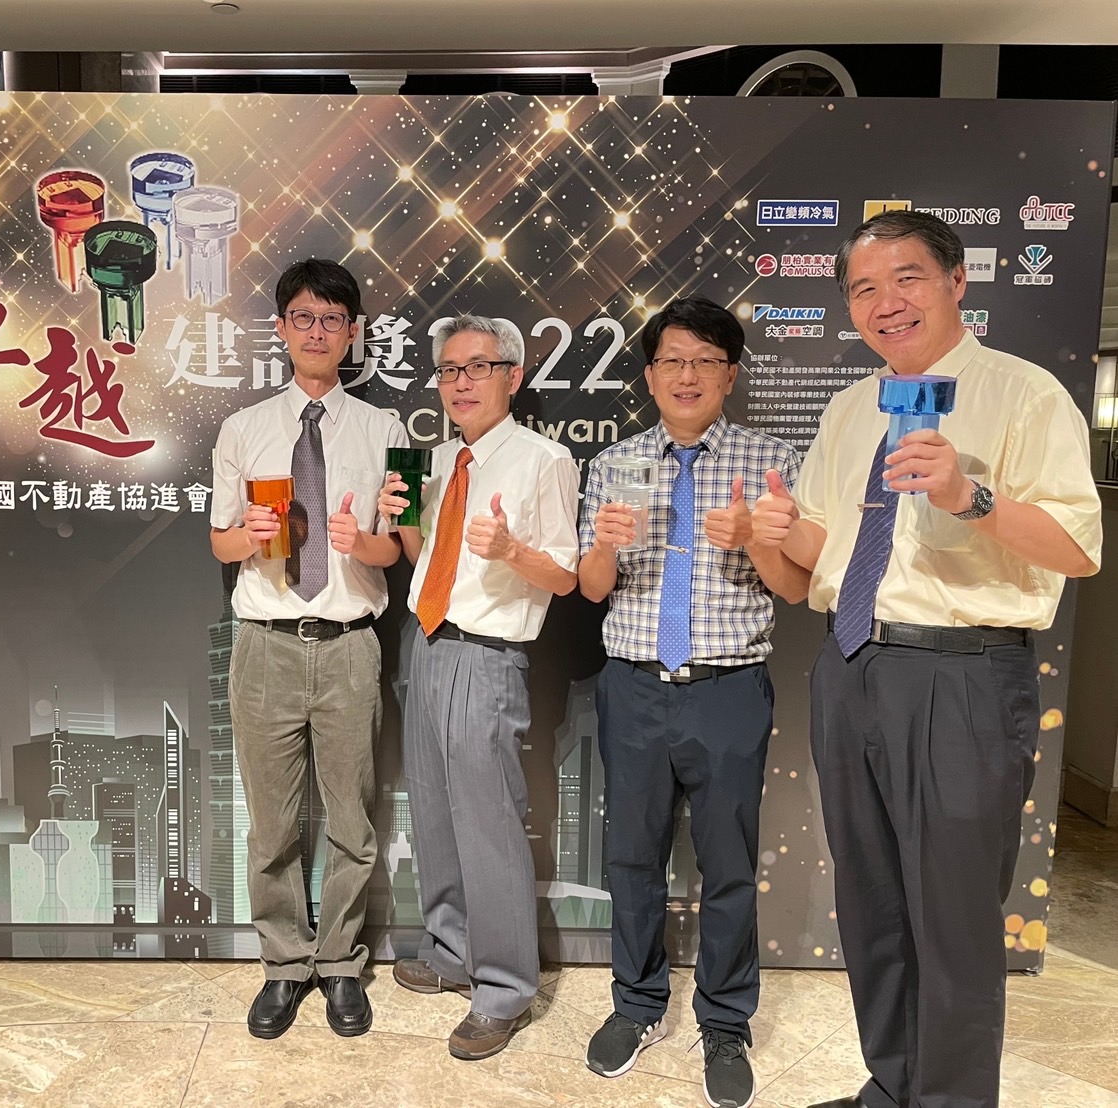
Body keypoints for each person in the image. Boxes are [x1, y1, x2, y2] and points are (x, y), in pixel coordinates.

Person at [747, 210, 1102, 1108]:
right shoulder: (849, 407)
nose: (886, 302)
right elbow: (826, 553)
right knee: (872, 901)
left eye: (906, 278)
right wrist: (778, 531)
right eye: (864, 289)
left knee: (952, 915)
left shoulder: (1023, 395)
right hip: (851, 665)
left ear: (957, 282)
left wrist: (968, 495)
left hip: (963, 676)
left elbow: (1076, 548)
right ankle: (892, 1085)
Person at [575, 296, 803, 1108]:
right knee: (631, 857)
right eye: (672, 360)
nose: (687, 375)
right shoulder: (614, 464)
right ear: (649, 375)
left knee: (729, 864)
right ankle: (636, 1005)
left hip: (727, 688)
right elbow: (591, 589)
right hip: (634, 684)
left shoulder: (771, 461)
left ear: (730, 375)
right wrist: (605, 546)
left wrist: (756, 541)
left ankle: (726, 1021)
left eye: (706, 361)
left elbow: (796, 588)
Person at [209, 258, 408, 1041]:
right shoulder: (243, 429)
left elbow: (399, 550)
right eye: (303, 317)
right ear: (282, 329)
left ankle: (342, 965)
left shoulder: (387, 431)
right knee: (272, 825)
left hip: (351, 645)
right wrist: (248, 534)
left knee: (353, 820)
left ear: (353, 333)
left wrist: (364, 542)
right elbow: (220, 543)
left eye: (332, 319)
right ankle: (285, 965)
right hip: (265, 645)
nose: (317, 332)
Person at [381, 314, 579, 1061]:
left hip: (489, 656)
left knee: (488, 823)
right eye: (449, 370)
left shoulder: (544, 460)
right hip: (426, 642)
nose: (460, 382)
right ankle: (450, 950)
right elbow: (424, 558)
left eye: (478, 367)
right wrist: (400, 519)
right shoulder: (436, 460)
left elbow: (565, 576)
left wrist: (512, 549)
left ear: (512, 376)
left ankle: (502, 988)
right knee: (432, 811)